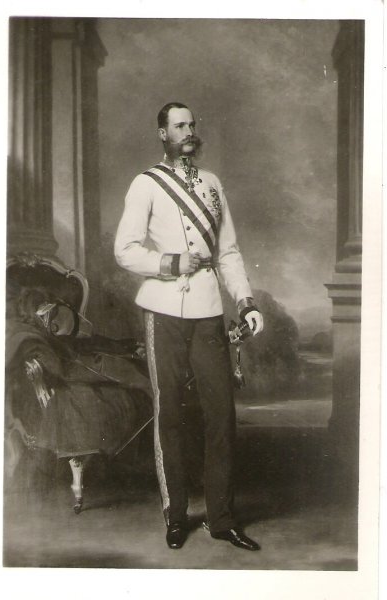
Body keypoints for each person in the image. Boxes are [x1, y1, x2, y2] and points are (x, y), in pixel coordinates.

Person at [114, 102, 264, 551]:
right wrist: (172, 262)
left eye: (192, 124)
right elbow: (125, 249)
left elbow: (228, 252)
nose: (188, 131)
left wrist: (245, 301)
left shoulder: (212, 184)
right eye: (179, 125)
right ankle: (175, 516)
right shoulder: (146, 184)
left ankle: (222, 519)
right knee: (171, 415)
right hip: (163, 310)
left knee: (222, 415)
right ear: (163, 134)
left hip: (208, 311)